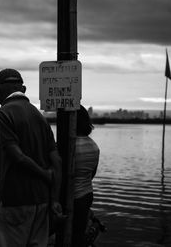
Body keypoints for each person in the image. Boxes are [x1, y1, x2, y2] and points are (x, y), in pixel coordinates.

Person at [0, 68, 62, 247]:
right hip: (41, 201)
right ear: (23, 90)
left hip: (13, 200)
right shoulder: (40, 117)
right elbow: (57, 161)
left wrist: (43, 173)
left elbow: (17, 156)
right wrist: (55, 199)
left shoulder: (2, 114)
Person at [72, 105, 100, 247]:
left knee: (71, 235)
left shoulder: (69, 146)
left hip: (72, 198)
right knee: (78, 234)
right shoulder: (94, 146)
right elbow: (91, 174)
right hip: (87, 194)